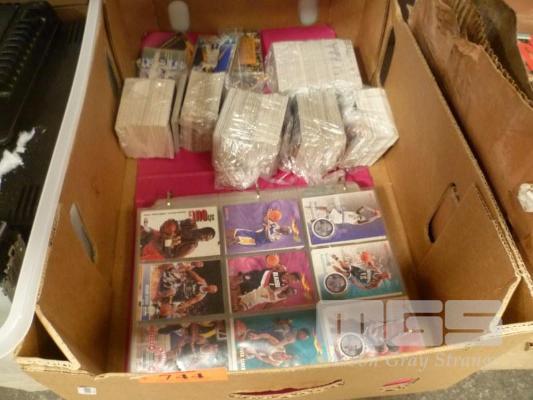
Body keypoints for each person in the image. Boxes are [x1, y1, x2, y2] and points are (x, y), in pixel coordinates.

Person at [141, 217, 216, 260]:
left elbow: (170, 258)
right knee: (143, 229)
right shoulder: (190, 223)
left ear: (205, 241)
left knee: (145, 250)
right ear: (203, 228)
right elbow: (173, 223)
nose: (203, 237)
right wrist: (169, 232)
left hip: (160, 250)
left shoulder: (191, 246)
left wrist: (168, 244)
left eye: (206, 238)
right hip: (159, 235)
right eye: (205, 233)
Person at [227, 208, 296, 247]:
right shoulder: (275, 225)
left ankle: (229, 243)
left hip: (258, 240)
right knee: (239, 231)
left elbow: (269, 237)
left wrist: (266, 229)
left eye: (286, 230)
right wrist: (268, 215)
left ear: (284, 233)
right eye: (286, 227)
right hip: (256, 234)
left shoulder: (277, 237)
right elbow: (265, 220)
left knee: (239, 239)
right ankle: (229, 239)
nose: (284, 228)